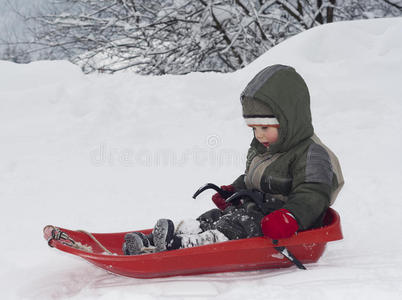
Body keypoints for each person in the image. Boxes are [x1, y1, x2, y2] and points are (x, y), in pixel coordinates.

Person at [122, 64, 344, 255]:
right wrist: (233, 191)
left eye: (265, 127)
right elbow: (255, 179)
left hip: (287, 226)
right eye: (254, 128)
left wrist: (290, 217)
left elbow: (313, 195)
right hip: (258, 210)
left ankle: (189, 245)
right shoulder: (266, 148)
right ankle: (162, 240)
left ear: (290, 121)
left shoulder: (311, 154)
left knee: (238, 226)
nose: (259, 134)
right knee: (216, 216)